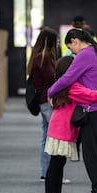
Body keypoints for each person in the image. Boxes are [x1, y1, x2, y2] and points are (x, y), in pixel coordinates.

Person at [47, 28, 97, 193]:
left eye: (70, 48)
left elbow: (67, 77)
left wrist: (51, 92)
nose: (71, 53)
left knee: (92, 155)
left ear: (75, 41)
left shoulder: (85, 54)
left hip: (92, 110)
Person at [27, 28, 71, 183]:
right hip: (48, 101)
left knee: (47, 137)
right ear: (50, 41)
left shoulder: (38, 57)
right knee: (55, 137)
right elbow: (52, 81)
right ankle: (53, 174)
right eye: (57, 41)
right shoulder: (45, 58)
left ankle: (46, 173)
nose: (59, 43)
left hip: (43, 101)